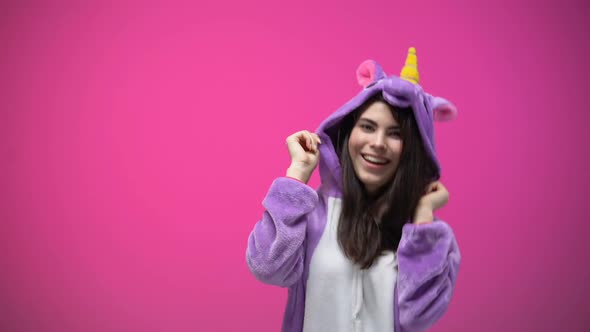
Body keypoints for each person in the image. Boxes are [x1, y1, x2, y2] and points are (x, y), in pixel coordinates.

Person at [246, 47, 461, 332]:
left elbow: (419, 315)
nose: (378, 143)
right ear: (347, 134)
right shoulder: (312, 214)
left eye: (395, 133)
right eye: (368, 127)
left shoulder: (428, 234)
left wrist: (422, 216)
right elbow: (267, 267)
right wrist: (297, 174)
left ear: (411, 149)